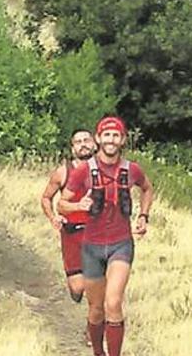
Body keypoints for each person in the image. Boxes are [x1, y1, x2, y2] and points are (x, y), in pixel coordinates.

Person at [57, 116, 154, 356]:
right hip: (91, 247)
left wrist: (143, 215)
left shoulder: (132, 170)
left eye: (116, 135)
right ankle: (98, 352)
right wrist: (80, 205)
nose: (111, 140)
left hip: (121, 244)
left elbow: (147, 189)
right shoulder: (83, 171)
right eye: (106, 135)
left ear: (122, 140)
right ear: (98, 138)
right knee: (96, 310)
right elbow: (62, 205)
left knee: (113, 303)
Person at [39, 128, 97, 303]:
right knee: (78, 288)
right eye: (78, 142)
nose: (83, 145)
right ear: (73, 148)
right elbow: (46, 198)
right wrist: (52, 218)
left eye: (87, 140)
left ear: (94, 144)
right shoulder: (63, 172)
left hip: (98, 232)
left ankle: (97, 322)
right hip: (72, 233)